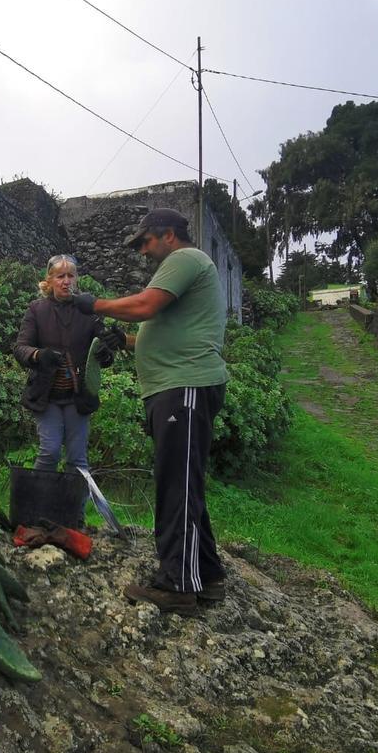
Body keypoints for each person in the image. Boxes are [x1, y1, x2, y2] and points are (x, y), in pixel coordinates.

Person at [72, 208, 228, 615]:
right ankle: (206, 575)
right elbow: (155, 328)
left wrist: (94, 305)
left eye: (145, 242)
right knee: (181, 481)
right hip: (175, 387)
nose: (142, 251)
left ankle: (177, 585)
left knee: (177, 485)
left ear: (169, 236)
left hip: (185, 385)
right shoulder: (186, 266)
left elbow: (145, 306)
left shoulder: (185, 259)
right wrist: (122, 341)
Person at [13, 255, 122, 474]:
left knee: (77, 459)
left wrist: (108, 350)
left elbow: (104, 352)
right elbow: (20, 348)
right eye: (60, 276)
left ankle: (72, 509)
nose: (66, 281)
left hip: (78, 397)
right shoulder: (37, 309)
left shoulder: (88, 311)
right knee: (50, 452)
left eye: (70, 276)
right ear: (50, 280)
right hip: (47, 395)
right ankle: (35, 506)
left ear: (76, 280)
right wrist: (38, 355)